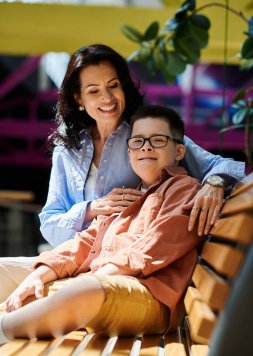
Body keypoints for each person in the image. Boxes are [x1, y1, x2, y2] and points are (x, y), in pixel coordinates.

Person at [0, 44, 245, 303]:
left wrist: (215, 183)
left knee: (24, 301)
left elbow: (222, 166)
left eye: (113, 85)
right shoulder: (67, 149)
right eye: (94, 91)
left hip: (120, 269)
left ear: (123, 87)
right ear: (78, 98)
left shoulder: (145, 136)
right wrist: (92, 208)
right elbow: (49, 223)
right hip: (72, 260)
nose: (107, 98)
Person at [0, 105, 204, 344]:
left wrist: (86, 279)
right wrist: (38, 276)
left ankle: (3, 329)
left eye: (158, 140)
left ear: (179, 151)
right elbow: (84, 242)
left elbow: (152, 249)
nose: (146, 146)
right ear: (129, 152)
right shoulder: (129, 196)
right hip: (99, 283)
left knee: (85, 289)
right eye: (137, 141)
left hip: (150, 294)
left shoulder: (185, 190)